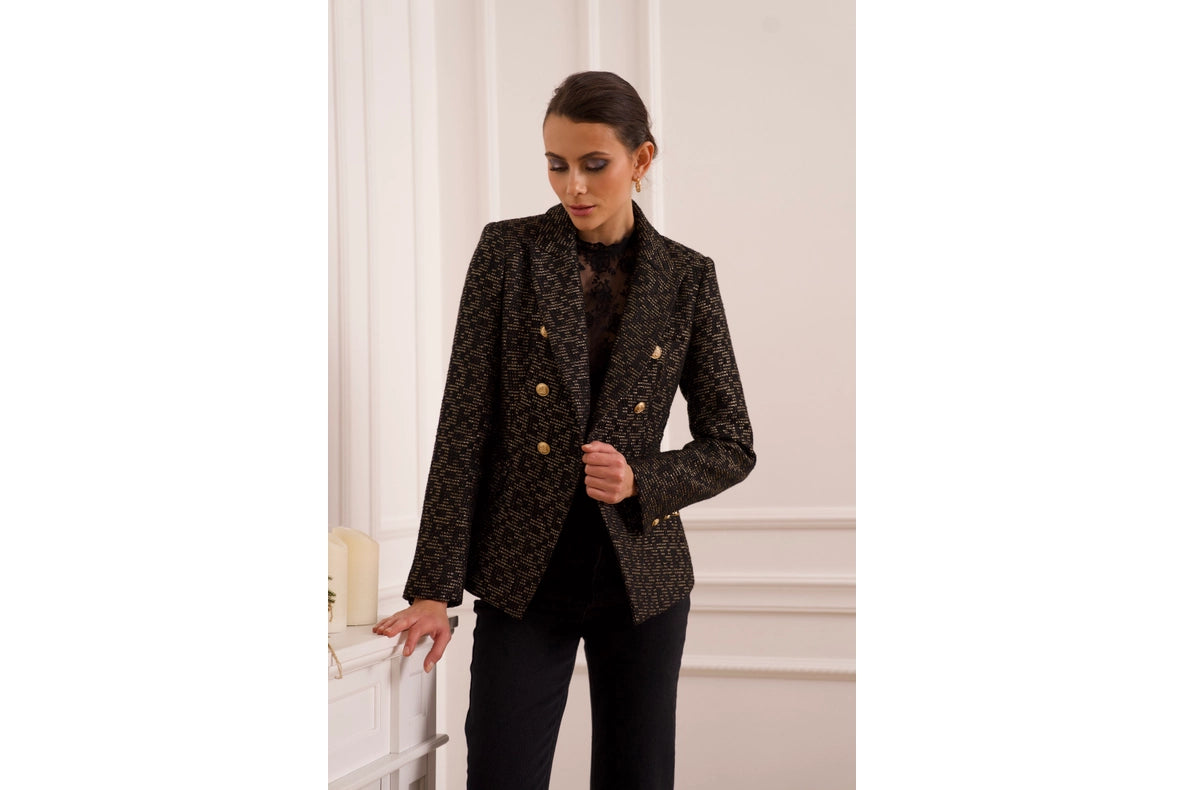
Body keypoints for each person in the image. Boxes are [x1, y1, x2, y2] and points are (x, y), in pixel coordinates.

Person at [372, 70, 756, 790]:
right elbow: (464, 425)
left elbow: (731, 442)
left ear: (641, 160)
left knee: (636, 777)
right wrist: (433, 589)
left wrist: (641, 479)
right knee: (502, 773)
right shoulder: (507, 253)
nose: (573, 186)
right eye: (556, 164)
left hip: (641, 577)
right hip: (523, 573)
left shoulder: (686, 277)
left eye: (593, 164)